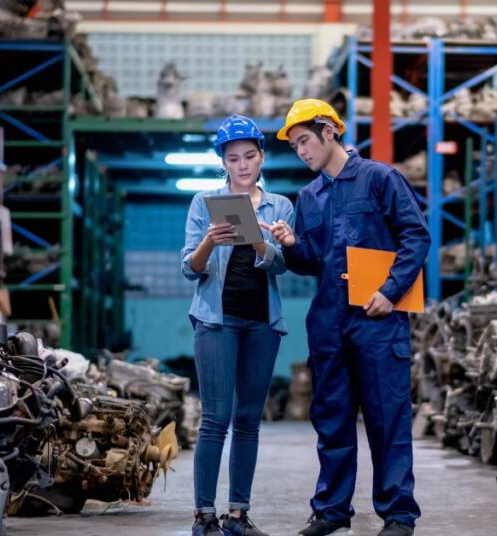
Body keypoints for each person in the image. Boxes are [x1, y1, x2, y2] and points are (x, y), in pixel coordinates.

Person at [262, 99, 429, 536]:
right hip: (330, 322)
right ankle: (332, 512)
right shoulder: (309, 196)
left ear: (329, 131)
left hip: (378, 319)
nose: (301, 151)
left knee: (386, 417)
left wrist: (390, 292)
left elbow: (416, 235)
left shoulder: (380, 179)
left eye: (304, 141)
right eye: (295, 145)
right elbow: (312, 261)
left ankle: (398, 515)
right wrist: (293, 243)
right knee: (332, 418)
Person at [181, 114, 295, 536]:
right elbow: (190, 269)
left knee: (248, 419)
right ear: (223, 162)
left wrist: (265, 241)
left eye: (250, 156)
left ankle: (237, 516)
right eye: (234, 158)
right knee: (216, 418)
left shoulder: (280, 205)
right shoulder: (203, 203)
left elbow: (285, 263)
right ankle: (204, 516)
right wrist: (211, 239)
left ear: (262, 157)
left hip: (262, 323)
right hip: (216, 321)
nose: (243, 165)